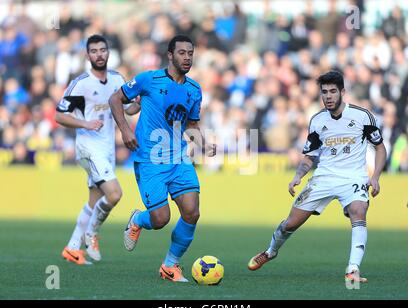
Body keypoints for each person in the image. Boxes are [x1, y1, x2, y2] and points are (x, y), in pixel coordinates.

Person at [248, 70, 386, 283]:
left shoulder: (362, 116)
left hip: (354, 178)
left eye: (332, 91)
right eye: (324, 92)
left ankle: (352, 269)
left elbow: (380, 148)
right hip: (324, 178)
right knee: (290, 224)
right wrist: (297, 176)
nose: (328, 96)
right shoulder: (317, 121)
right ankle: (270, 251)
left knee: (359, 210)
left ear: (342, 92)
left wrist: (375, 176)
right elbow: (309, 156)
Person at [109, 35, 216, 282]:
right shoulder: (148, 79)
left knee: (192, 213)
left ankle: (170, 265)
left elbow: (191, 124)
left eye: (190, 53)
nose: (187, 57)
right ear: (170, 55)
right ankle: (138, 219)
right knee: (160, 219)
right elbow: (116, 98)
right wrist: (125, 129)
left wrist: (203, 144)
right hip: (150, 160)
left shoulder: (194, 89)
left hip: (179, 159)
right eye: (182, 53)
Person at [56, 35, 139, 265]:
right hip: (88, 147)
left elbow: (128, 109)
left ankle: (73, 248)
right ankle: (92, 233)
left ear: (108, 53)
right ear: (87, 55)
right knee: (114, 194)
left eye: (103, 50)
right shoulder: (81, 83)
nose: (99, 54)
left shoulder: (116, 79)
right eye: (94, 51)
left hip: (107, 148)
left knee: (94, 200)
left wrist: (138, 103)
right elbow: (59, 115)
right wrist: (85, 123)